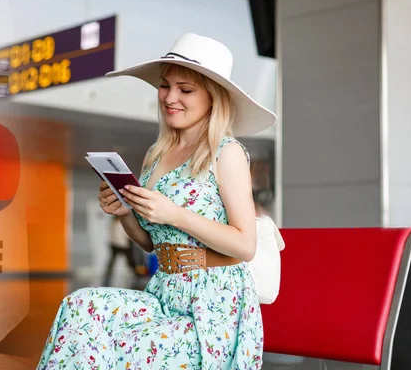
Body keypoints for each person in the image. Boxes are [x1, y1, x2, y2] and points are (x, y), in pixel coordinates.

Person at [37, 33, 277, 369]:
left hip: (212, 311)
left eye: (186, 89)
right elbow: (153, 243)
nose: (170, 97)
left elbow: (245, 245)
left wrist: (175, 214)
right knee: (80, 308)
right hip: (163, 293)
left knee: (127, 350)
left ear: (213, 97)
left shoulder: (228, 153)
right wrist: (124, 213)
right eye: (165, 85)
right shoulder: (157, 153)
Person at [102, 216, 137, 287]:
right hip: (116, 245)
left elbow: (127, 233)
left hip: (124, 245)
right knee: (112, 261)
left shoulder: (122, 223)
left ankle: (135, 273)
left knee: (130, 260)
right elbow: (112, 233)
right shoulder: (114, 223)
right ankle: (108, 274)